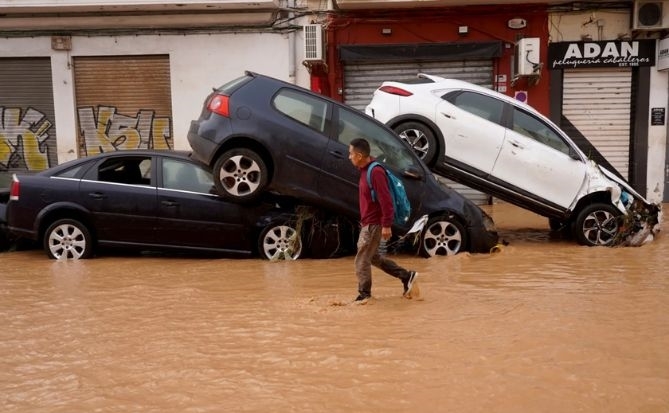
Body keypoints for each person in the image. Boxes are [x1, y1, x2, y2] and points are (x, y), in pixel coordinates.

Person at [348, 137, 418, 303]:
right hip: (368, 223)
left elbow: (386, 201)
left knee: (362, 258)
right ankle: (406, 276)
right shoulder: (365, 171)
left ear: (358, 155)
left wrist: (386, 225)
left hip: (374, 224)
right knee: (372, 258)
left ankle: (364, 295)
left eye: (350, 153)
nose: (349, 157)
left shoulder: (376, 172)